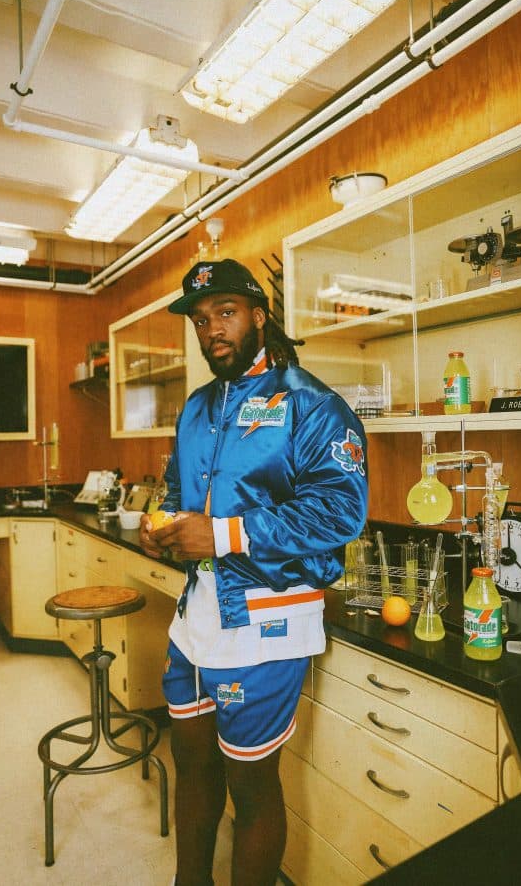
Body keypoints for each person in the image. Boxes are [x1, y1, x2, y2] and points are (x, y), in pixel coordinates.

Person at [140, 258, 368, 886]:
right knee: (191, 762)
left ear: (259, 316)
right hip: (196, 616)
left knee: (251, 782)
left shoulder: (312, 405)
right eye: (200, 319)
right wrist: (162, 525)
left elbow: (340, 511)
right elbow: (176, 491)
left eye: (226, 312)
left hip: (268, 619)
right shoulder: (196, 407)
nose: (212, 329)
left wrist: (222, 534)